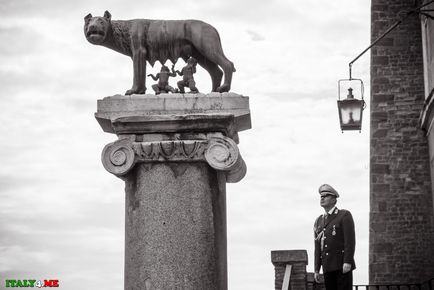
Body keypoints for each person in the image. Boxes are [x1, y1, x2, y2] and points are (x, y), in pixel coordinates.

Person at [313, 184, 356, 290]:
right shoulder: (319, 221)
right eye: (321, 196)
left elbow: (349, 241)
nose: (322, 198)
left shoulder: (344, 215)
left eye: (326, 195)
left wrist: (347, 261)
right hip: (327, 266)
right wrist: (317, 269)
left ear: (334, 199)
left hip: (341, 265)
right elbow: (318, 247)